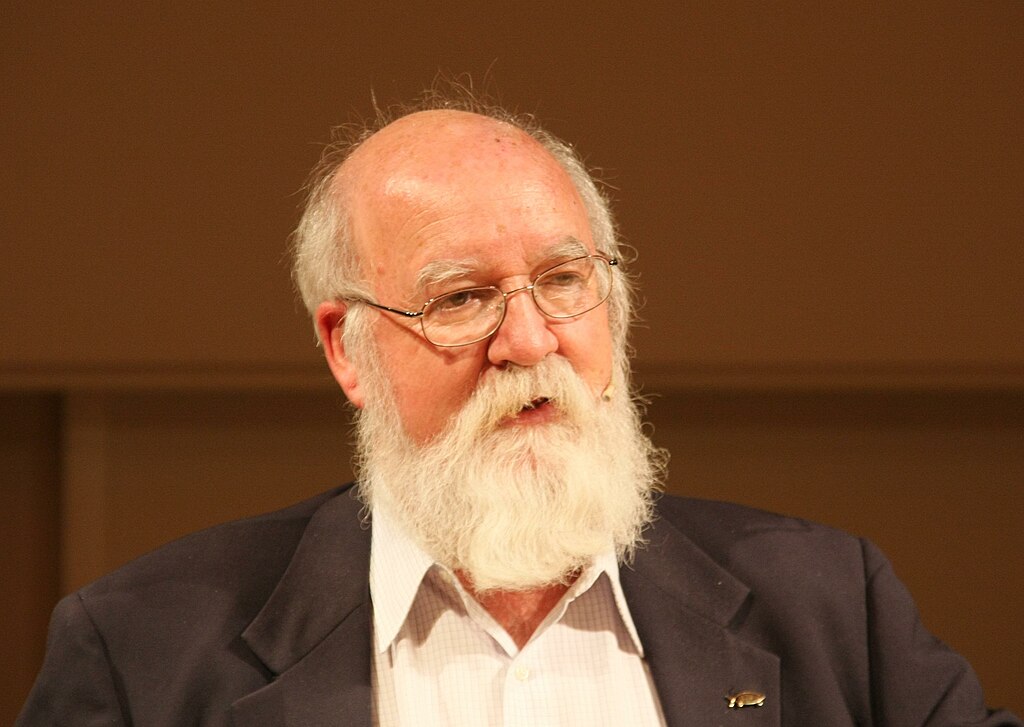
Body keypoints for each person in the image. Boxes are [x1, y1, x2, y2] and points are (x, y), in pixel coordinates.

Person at [19, 92, 1020, 726]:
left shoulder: (833, 610)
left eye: (561, 279)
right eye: (461, 299)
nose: (529, 342)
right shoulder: (143, 651)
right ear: (345, 347)